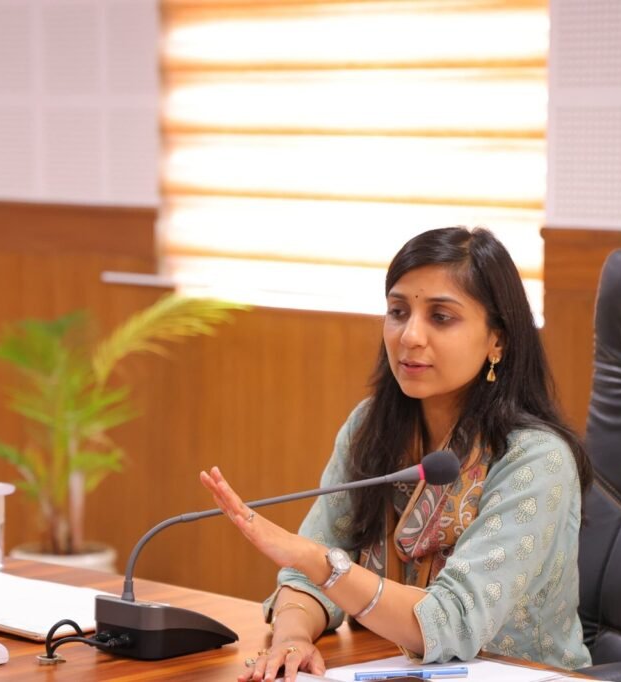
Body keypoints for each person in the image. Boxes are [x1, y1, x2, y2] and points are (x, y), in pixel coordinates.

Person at [200, 227, 593, 682]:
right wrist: (293, 638)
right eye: (398, 312)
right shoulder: (372, 428)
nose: (410, 335)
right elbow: (306, 579)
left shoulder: (536, 459)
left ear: (497, 341)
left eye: (441, 317)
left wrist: (319, 563)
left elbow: (451, 621)